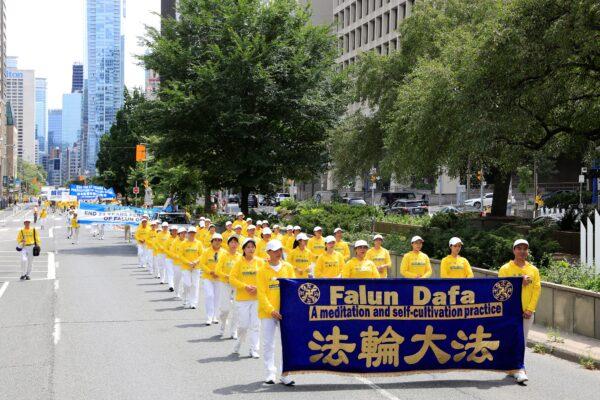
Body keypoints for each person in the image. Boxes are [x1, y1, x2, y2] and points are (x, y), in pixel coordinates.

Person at [498, 239, 541, 384]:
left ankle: (519, 369)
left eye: (525, 249)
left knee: (521, 341)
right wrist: (518, 284)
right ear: (513, 250)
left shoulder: (533, 270)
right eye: (519, 248)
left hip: (526, 312)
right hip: (510, 312)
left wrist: (530, 309)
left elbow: (536, 290)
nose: (522, 251)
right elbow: (501, 290)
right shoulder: (505, 269)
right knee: (511, 340)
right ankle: (513, 368)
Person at [257, 240, 295, 386]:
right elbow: (261, 293)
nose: (278, 253)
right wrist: (271, 310)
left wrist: (289, 309)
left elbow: (293, 289)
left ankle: (285, 374)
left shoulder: (288, 267)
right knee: (268, 343)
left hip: (285, 312)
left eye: (280, 250)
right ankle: (270, 372)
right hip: (268, 313)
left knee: (287, 343)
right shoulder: (262, 271)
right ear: (268, 253)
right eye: (274, 250)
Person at [229, 238, 262, 357]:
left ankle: (254, 349)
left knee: (256, 325)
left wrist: (257, 288)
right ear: (243, 249)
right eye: (248, 247)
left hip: (257, 298)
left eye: (253, 247)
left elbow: (265, 277)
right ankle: (239, 342)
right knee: (243, 325)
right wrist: (245, 286)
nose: (251, 249)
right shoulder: (239, 262)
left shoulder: (260, 262)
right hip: (242, 299)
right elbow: (232, 278)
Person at [215, 235, 242, 339]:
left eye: (236, 242)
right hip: (225, 283)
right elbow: (217, 270)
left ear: (238, 245)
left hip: (236, 284)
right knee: (225, 309)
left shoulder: (240, 256)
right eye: (232, 242)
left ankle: (233, 330)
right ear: (228, 244)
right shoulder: (223, 255)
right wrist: (226, 276)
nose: (234, 244)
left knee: (236, 308)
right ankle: (222, 324)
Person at [199, 233, 227, 325]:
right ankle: (209, 317)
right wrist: (210, 271)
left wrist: (219, 273)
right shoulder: (206, 251)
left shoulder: (224, 252)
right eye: (215, 240)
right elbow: (202, 264)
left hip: (219, 278)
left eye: (219, 240)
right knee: (209, 295)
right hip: (208, 277)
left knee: (217, 297)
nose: (217, 242)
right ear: (212, 241)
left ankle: (215, 316)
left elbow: (225, 265)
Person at [178, 227, 204, 309]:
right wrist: (188, 262)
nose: (192, 234)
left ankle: (193, 302)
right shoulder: (183, 243)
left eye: (193, 233)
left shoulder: (199, 243)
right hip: (186, 266)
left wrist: (196, 261)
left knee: (195, 285)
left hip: (196, 267)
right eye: (190, 233)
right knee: (187, 284)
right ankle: (185, 298)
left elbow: (202, 254)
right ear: (187, 234)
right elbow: (180, 255)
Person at [170, 227, 188, 298]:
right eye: (182, 233)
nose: (183, 234)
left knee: (185, 280)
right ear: (179, 234)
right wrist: (177, 256)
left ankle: (184, 293)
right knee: (177, 279)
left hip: (185, 264)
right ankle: (177, 292)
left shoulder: (187, 241)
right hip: (177, 264)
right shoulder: (174, 242)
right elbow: (171, 253)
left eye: (184, 233)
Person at [163, 225, 179, 291]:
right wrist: (172, 255)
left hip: (178, 259)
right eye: (173, 230)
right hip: (169, 258)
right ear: (171, 231)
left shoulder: (180, 239)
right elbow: (165, 249)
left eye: (176, 230)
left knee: (176, 273)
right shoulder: (168, 239)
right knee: (170, 272)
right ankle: (171, 286)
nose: (174, 231)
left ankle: (176, 285)